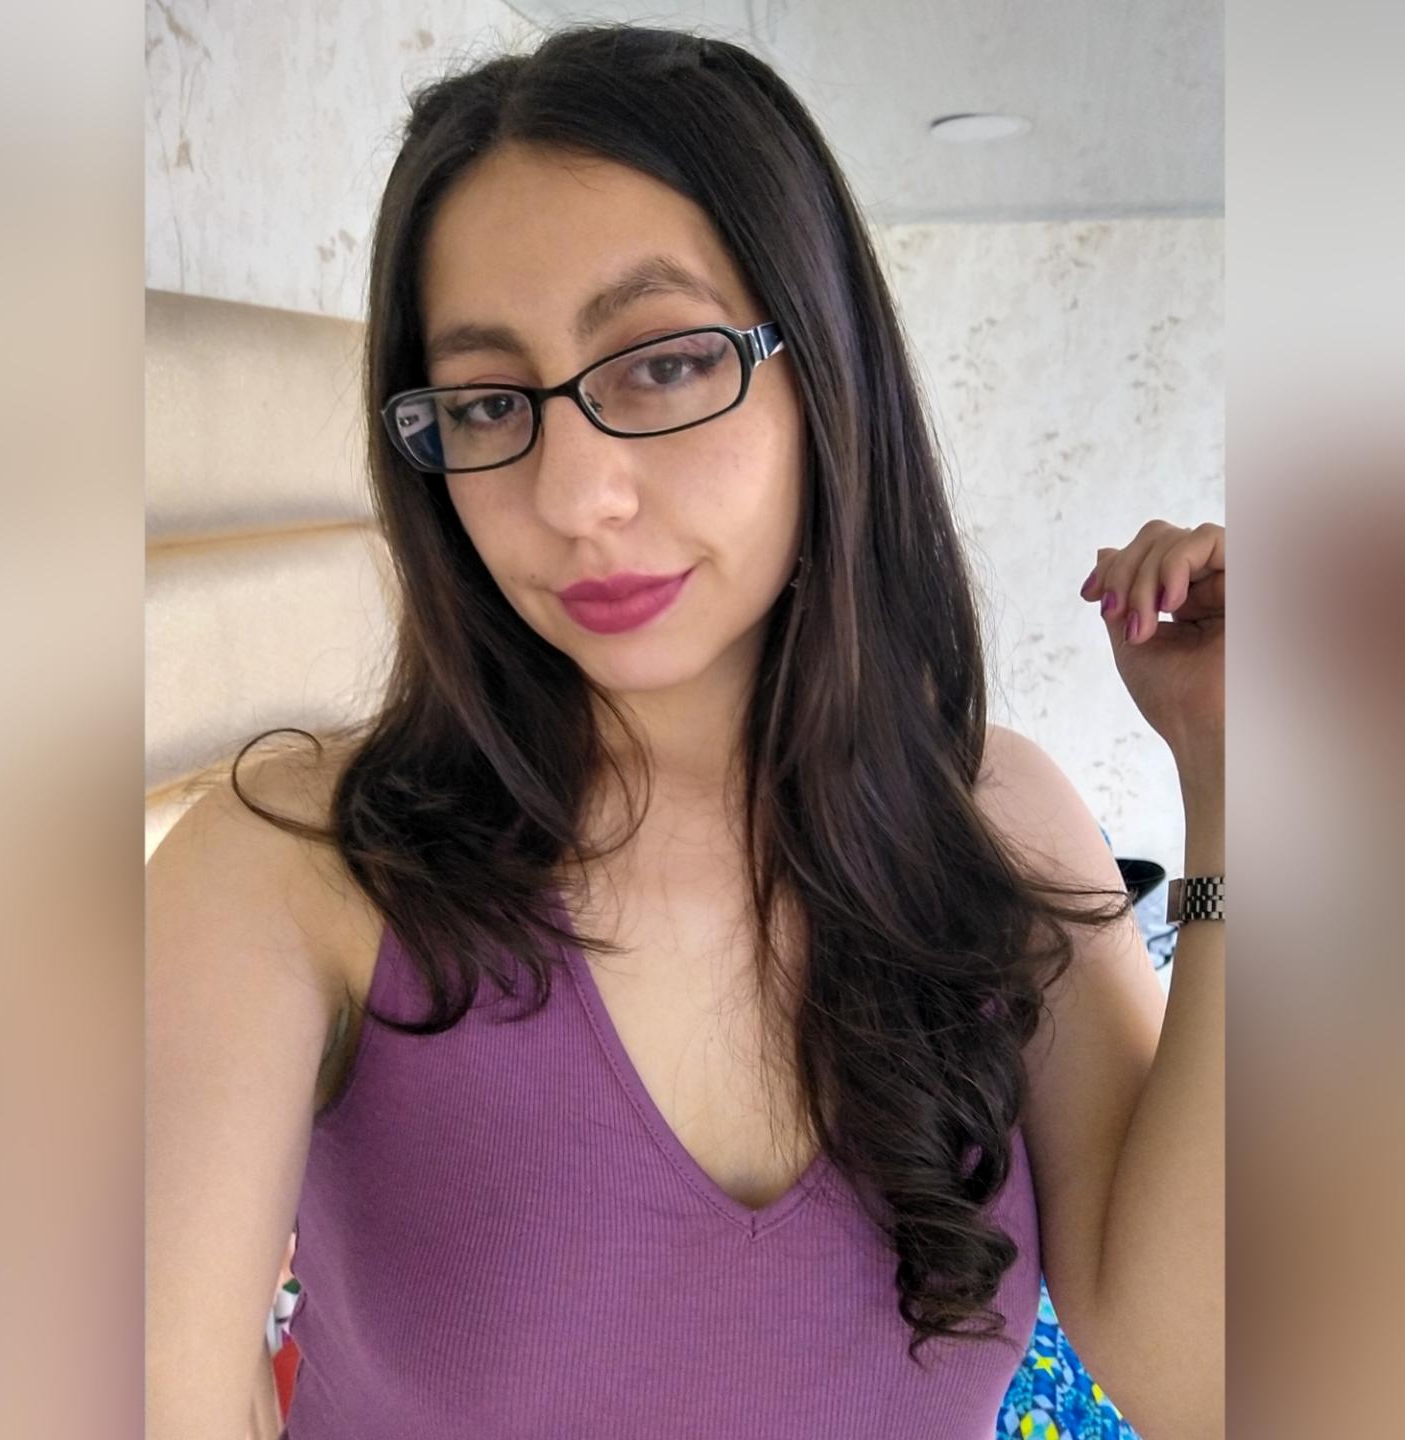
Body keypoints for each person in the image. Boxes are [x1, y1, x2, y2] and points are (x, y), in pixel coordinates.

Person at [146, 23, 1224, 1440]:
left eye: (661, 364)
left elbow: (1205, 1378)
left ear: (824, 367)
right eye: (487, 402)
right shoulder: (288, 869)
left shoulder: (997, 824)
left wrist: (1243, 780)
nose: (574, 496)